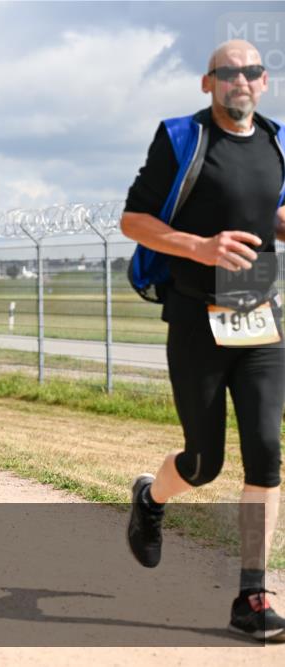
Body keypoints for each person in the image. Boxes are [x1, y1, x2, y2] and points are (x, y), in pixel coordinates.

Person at [121, 39, 285, 642]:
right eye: (227, 72)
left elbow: (269, 209)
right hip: (196, 318)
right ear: (207, 82)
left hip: (261, 316)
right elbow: (134, 219)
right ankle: (152, 497)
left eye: (251, 71)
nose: (240, 80)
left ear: (264, 81)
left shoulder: (277, 140)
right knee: (204, 461)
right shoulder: (180, 139)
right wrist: (201, 246)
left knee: (267, 451)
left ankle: (253, 595)